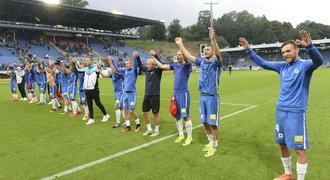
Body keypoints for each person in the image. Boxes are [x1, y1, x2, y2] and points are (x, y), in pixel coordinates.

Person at [239, 30, 324, 180]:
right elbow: (264, 63)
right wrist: (249, 50)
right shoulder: (282, 67)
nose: (285, 54)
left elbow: (318, 61)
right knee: (282, 144)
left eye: (288, 51)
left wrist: (310, 46)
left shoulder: (305, 66)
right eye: (283, 52)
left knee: (299, 150)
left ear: (297, 50)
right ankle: (288, 174)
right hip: (281, 111)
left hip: (296, 113)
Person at [175, 27, 222, 157]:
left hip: (212, 98)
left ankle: (214, 147)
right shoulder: (202, 62)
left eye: (208, 49)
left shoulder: (216, 63)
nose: (205, 51)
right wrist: (180, 44)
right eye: (204, 49)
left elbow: (218, 55)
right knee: (204, 122)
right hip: (203, 97)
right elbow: (189, 56)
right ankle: (210, 142)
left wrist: (214, 40)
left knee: (213, 124)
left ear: (212, 51)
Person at [153, 51, 193, 145]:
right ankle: (181, 135)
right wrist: (154, 57)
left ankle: (189, 137)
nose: (177, 56)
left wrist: (181, 48)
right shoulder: (174, 66)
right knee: (177, 116)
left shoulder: (187, 66)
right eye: (177, 54)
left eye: (179, 54)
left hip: (184, 94)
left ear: (183, 56)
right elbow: (162, 67)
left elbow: (187, 60)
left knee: (185, 116)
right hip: (176, 95)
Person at [109, 52, 141, 132]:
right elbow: (118, 69)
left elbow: (136, 65)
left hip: (131, 93)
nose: (126, 65)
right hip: (125, 93)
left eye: (127, 64)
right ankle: (128, 126)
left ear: (131, 64)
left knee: (132, 110)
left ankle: (138, 124)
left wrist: (135, 57)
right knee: (126, 110)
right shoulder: (125, 70)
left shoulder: (134, 71)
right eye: (125, 64)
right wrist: (112, 62)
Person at [74, 57, 110, 125]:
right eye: (85, 60)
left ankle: (106, 115)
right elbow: (77, 70)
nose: (86, 61)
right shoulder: (85, 69)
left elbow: (101, 71)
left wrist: (100, 65)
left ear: (91, 61)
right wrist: (74, 63)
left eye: (87, 60)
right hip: (87, 89)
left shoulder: (96, 68)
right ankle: (91, 118)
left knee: (98, 103)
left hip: (94, 89)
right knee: (89, 104)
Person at [139, 50, 163, 137]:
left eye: (149, 64)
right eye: (147, 64)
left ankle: (156, 130)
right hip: (147, 95)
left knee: (155, 113)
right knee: (144, 112)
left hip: (155, 95)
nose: (147, 65)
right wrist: (137, 57)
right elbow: (140, 66)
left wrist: (155, 55)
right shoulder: (147, 71)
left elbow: (160, 63)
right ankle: (149, 129)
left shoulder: (158, 71)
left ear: (154, 65)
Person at [98, 57, 124, 128]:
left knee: (116, 107)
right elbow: (103, 76)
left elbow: (114, 71)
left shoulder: (119, 73)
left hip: (121, 92)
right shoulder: (113, 74)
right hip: (116, 93)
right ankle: (126, 120)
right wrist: (99, 69)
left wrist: (110, 62)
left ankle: (118, 122)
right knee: (121, 107)